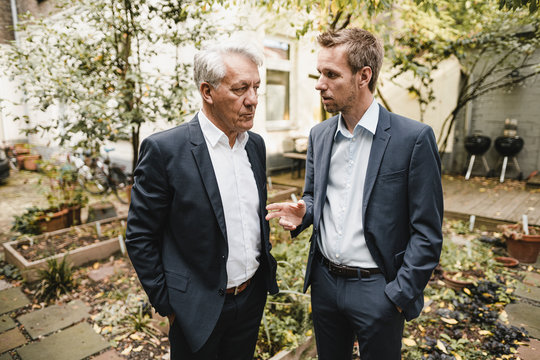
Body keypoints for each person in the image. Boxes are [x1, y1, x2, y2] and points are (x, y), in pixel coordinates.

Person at [266, 28, 443, 360]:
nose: (320, 83)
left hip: (379, 289)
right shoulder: (320, 135)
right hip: (325, 285)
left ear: (364, 76)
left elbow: (428, 232)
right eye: (320, 73)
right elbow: (315, 195)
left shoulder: (413, 139)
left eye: (332, 75)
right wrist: (305, 209)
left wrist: (398, 294)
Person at [126, 42, 278, 360]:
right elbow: (140, 236)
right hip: (195, 309)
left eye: (256, 87)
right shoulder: (164, 151)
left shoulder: (256, 146)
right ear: (207, 91)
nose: (252, 100)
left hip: (251, 300)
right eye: (240, 89)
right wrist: (168, 305)